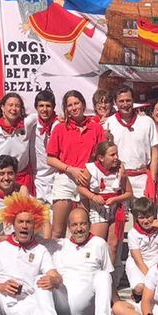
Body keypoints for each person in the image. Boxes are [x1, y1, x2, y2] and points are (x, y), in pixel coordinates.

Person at [0, 193, 63, 315]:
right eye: (20, 222)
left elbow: (55, 275)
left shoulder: (41, 250)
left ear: (35, 226)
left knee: (38, 304)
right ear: (12, 224)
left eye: (29, 222)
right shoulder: (0, 247)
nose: (24, 226)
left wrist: (54, 281)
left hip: (24, 300)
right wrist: (1, 286)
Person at [46, 206, 116, 315]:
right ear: (68, 228)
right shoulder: (58, 245)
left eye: (83, 224)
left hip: (87, 308)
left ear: (89, 225)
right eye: (74, 225)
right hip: (61, 304)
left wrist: (117, 304)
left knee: (104, 275)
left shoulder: (99, 243)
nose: (79, 229)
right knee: (41, 279)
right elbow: (28, 241)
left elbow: (109, 280)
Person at [46, 90, 104, 238]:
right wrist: (70, 169)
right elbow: (50, 159)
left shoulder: (95, 127)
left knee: (82, 230)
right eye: (69, 105)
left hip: (86, 181)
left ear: (83, 105)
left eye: (76, 103)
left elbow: (102, 155)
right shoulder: (59, 128)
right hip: (65, 179)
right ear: (66, 109)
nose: (74, 107)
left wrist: (88, 171)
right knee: (58, 231)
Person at [104, 85, 158, 202]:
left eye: (128, 100)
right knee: (124, 218)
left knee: (144, 218)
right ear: (115, 102)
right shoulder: (109, 123)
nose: (125, 104)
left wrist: (153, 178)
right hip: (119, 177)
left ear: (133, 101)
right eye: (121, 101)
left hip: (142, 177)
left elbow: (155, 151)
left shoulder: (147, 121)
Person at [79, 140, 132, 262]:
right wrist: (93, 197)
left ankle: (110, 276)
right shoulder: (91, 169)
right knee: (97, 243)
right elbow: (80, 187)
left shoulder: (120, 170)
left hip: (116, 209)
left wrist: (116, 199)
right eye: (112, 155)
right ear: (101, 158)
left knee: (113, 246)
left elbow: (129, 193)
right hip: (99, 209)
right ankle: (94, 271)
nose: (116, 157)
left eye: (117, 154)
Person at [0, 93, 36, 195]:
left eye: (17, 106)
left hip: (22, 178)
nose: (14, 108)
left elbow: (43, 116)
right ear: (2, 107)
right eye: (10, 105)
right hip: (1, 180)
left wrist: (60, 118)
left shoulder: (27, 123)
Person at [30, 88, 60, 202]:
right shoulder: (31, 123)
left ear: (53, 107)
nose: (44, 109)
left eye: (48, 106)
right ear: (36, 107)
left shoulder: (59, 125)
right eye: (41, 106)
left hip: (56, 176)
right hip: (37, 178)